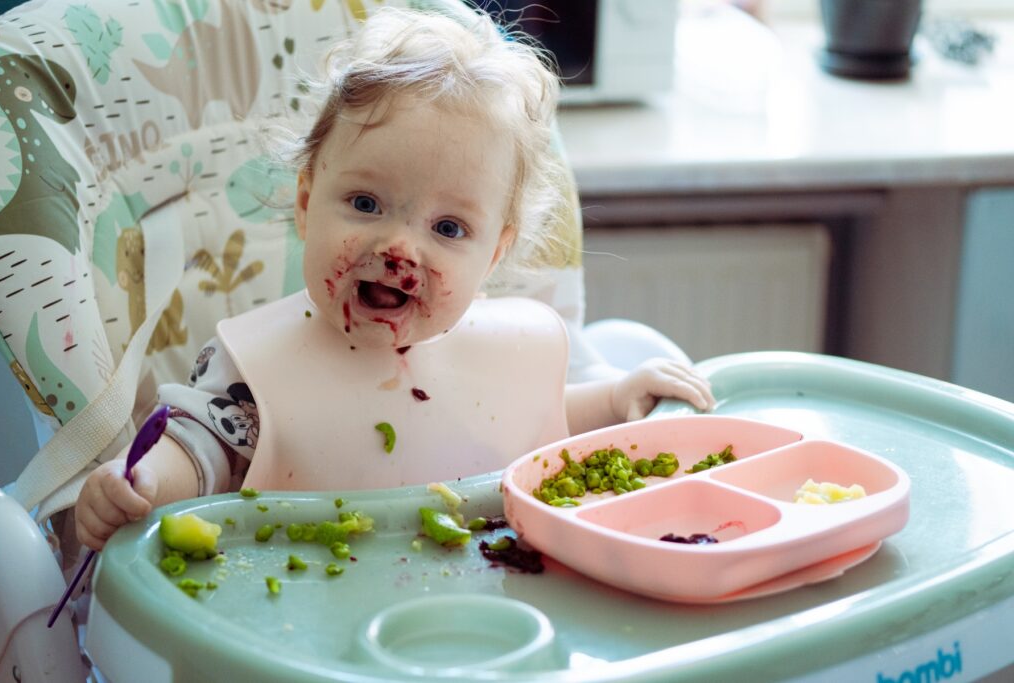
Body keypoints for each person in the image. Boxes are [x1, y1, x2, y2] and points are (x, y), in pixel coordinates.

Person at [74, 6, 714, 551]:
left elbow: (529, 417)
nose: (401, 248)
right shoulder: (261, 373)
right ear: (305, 203)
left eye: (449, 229)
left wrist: (615, 401)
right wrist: (145, 482)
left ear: (494, 256)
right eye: (366, 204)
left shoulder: (498, 352)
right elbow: (202, 449)